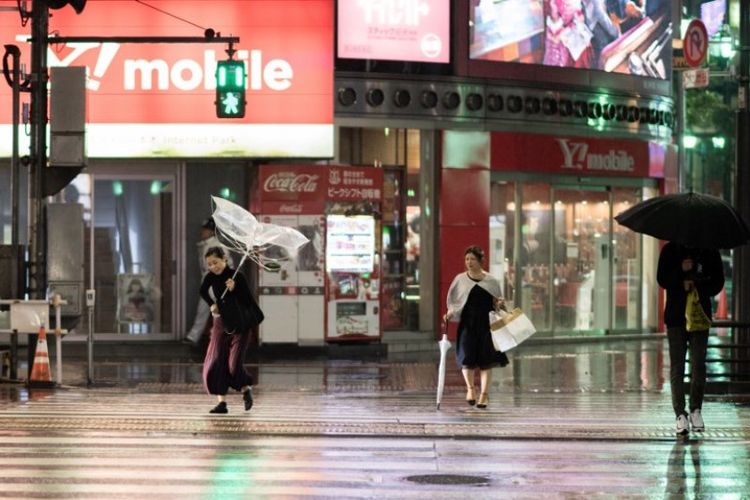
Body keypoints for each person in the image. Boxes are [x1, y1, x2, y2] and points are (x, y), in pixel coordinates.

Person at [657, 241, 724, 435]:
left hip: (699, 316)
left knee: (698, 365)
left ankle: (696, 410)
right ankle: (680, 414)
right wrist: (681, 271)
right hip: (676, 317)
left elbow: (717, 282)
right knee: (677, 367)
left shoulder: (709, 251)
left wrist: (697, 282)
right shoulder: (670, 250)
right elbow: (662, 279)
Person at [444, 245, 509, 409]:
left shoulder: (491, 281)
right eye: (467, 259)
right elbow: (455, 301)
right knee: (467, 358)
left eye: (472, 259)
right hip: (467, 324)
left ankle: (484, 396)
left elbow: (498, 303)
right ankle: (471, 389)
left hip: (487, 325)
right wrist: (450, 313)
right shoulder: (460, 279)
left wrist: (500, 304)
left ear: (480, 261)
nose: (469, 262)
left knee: (486, 361)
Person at [200, 246, 256, 414]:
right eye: (209, 264)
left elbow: (248, 301)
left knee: (233, 364)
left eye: (215, 262)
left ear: (224, 259)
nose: (213, 267)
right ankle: (222, 403)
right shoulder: (210, 277)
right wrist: (212, 304)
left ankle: (246, 389)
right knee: (216, 361)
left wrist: (235, 289)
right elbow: (203, 291)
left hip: (240, 325)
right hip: (220, 323)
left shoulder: (237, 276)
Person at [186, 218, 234, 344]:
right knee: (204, 310)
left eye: (206, 229)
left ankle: (226, 338)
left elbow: (227, 264)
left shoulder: (216, 246)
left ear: (212, 232)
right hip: (209, 282)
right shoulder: (206, 245)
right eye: (203, 229)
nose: (203, 231)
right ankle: (193, 337)